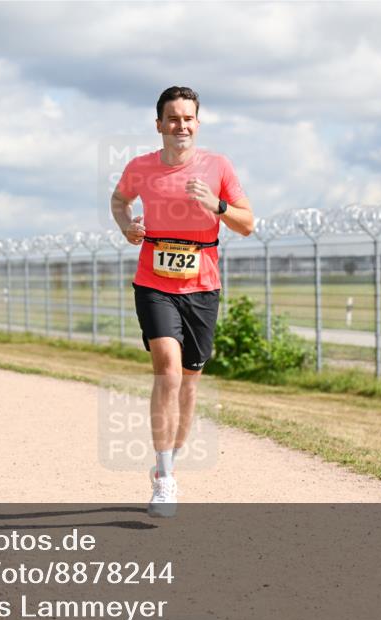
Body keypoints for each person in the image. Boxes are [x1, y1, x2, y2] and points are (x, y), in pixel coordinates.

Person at [110, 86, 254, 517]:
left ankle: (168, 461)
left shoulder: (218, 166)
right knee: (168, 370)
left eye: (188, 118)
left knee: (190, 381)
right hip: (153, 281)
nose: (181, 125)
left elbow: (247, 224)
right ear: (159, 125)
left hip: (202, 284)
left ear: (198, 122)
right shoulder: (140, 167)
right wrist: (126, 226)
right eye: (172, 118)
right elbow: (119, 200)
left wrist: (218, 204)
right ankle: (166, 478)